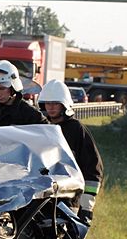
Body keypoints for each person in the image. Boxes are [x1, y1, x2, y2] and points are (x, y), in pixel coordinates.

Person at [38, 79, 103, 226]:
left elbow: (93, 170)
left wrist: (86, 207)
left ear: (64, 104)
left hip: (67, 200)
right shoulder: (40, 129)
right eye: (48, 104)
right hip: (40, 200)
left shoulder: (77, 130)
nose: (51, 108)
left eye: (55, 103)